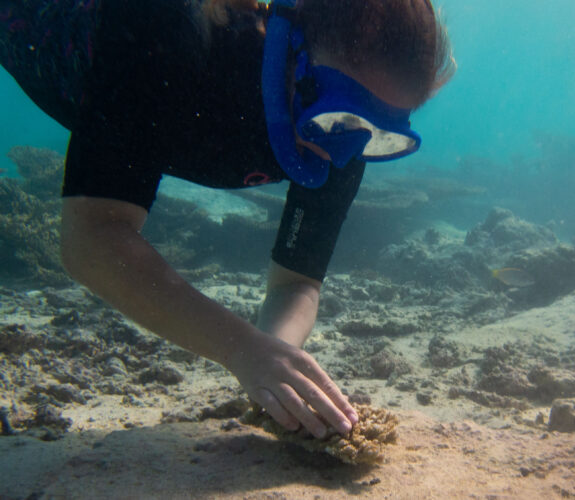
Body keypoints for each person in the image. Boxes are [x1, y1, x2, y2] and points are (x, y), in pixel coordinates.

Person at [0, 0, 453, 438]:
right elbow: (91, 241)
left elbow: (296, 283)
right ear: (292, 50)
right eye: (339, 114)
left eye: (380, 136)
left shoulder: (345, 134)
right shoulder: (167, 30)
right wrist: (242, 350)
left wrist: (274, 358)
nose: (344, 152)